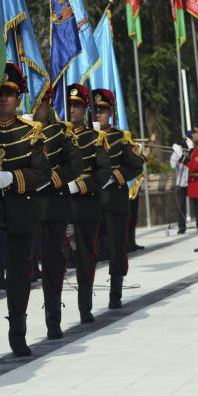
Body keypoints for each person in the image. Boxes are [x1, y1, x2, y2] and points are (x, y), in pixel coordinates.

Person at [0, 64, 50, 356]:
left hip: (20, 211)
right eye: (0, 94)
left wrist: (15, 178)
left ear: (19, 100)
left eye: (10, 95)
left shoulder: (31, 132)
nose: (4, 99)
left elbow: (43, 172)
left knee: (19, 276)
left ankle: (17, 332)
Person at [32, 87, 83, 339]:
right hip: (24, 208)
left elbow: (75, 165)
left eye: (39, 101)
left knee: (53, 266)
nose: (34, 106)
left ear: (48, 103)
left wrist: (52, 179)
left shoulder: (61, 131)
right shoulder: (17, 130)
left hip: (53, 207)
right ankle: (17, 330)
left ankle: (53, 319)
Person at [64, 84, 112, 323]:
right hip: (60, 206)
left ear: (85, 109)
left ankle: (85, 307)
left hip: (85, 206)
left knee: (85, 258)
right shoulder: (55, 135)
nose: (72, 110)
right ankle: (54, 316)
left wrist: (81, 186)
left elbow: (103, 173)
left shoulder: (95, 138)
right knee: (57, 261)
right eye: (69, 105)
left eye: (77, 106)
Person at [93, 89, 144, 308]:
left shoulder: (121, 138)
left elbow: (136, 165)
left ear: (111, 112)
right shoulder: (85, 137)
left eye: (103, 111)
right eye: (95, 111)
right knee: (89, 251)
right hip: (92, 202)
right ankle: (86, 300)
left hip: (115, 201)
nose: (98, 115)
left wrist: (116, 177)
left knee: (116, 249)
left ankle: (115, 294)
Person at [169, 130, 191, 233]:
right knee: (181, 205)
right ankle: (182, 227)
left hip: (190, 181)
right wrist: (179, 159)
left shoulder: (190, 152)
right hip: (181, 183)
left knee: (196, 203)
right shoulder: (176, 153)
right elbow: (173, 165)